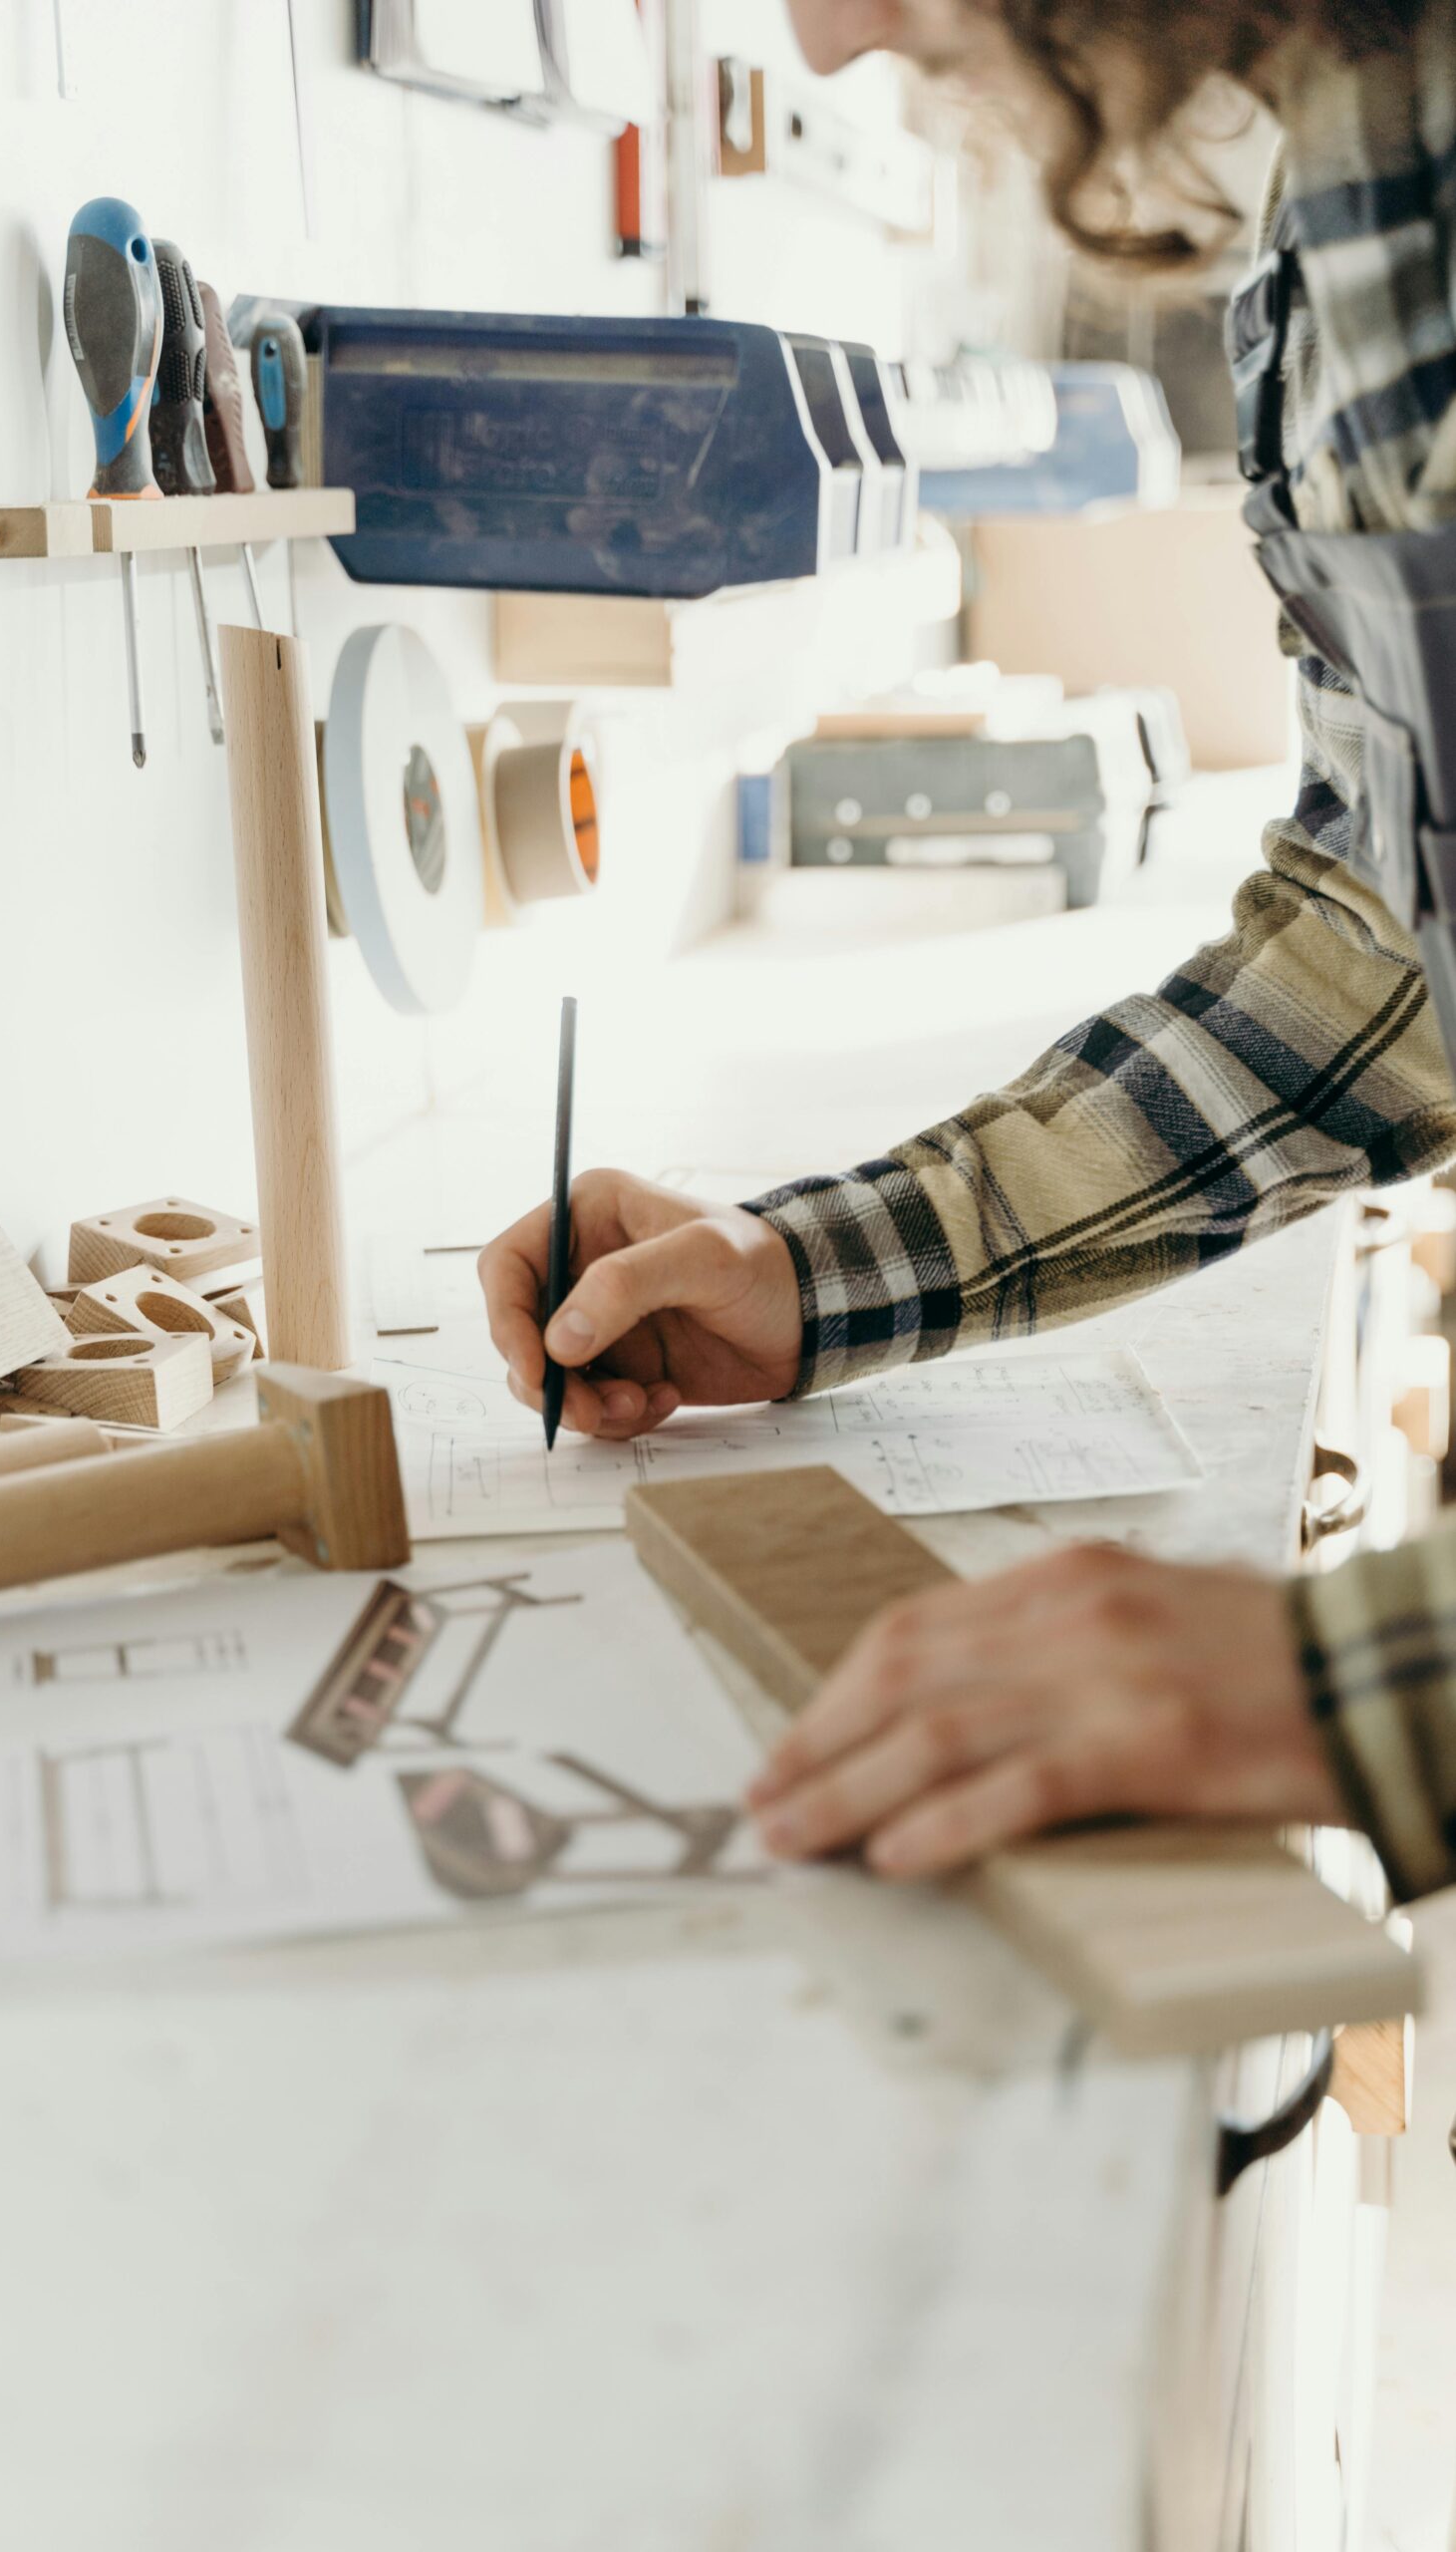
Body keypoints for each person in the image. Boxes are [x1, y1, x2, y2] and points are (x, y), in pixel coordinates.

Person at [478, 0, 1456, 1903]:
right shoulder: (1352, 156)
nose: (829, 41)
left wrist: (1353, 1693)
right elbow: (1382, 960)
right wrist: (818, 1270)